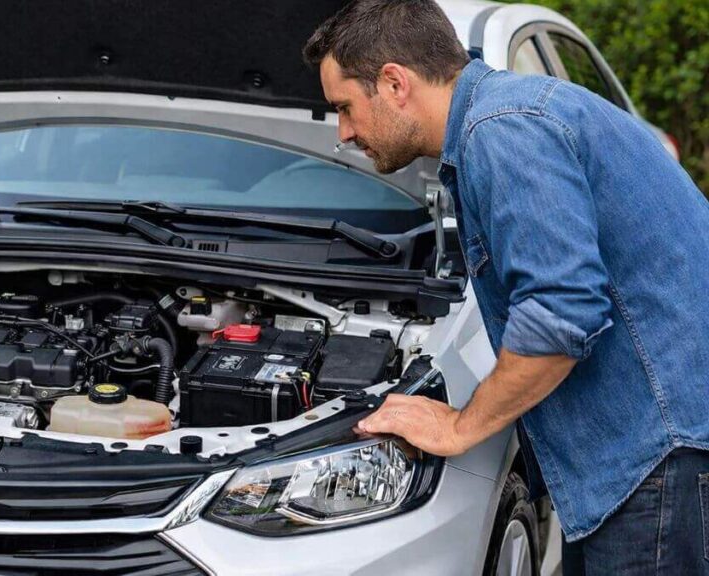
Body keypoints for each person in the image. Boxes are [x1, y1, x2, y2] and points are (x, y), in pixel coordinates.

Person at [303, 1, 709, 573]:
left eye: (344, 108)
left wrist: (459, 425)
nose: (343, 133)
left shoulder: (502, 130)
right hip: (645, 451)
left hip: (654, 455)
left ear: (394, 82)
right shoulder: (502, 117)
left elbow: (560, 315)